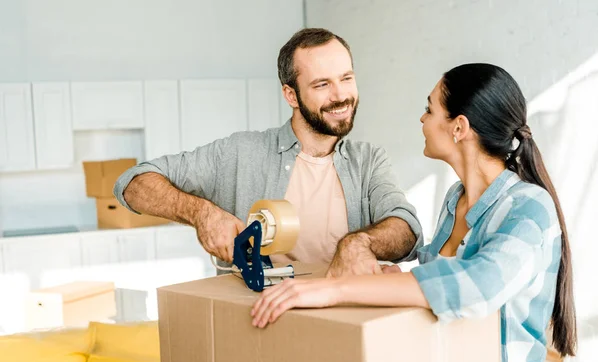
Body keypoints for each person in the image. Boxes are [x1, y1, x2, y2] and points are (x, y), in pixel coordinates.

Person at [251, 63, 577, 362]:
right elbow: (438, 286)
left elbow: (476, 286)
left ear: (459, 127)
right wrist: (387, 277)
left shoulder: (529, 206)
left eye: (429, 109)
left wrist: (334, 290)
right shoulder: (456, 200)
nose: (422, 119)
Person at [113, 28, 423, 276]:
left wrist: (358, 243)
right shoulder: (240, 153)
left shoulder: (368, 161)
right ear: (291, 94)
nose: (341, 95)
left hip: (340, 326)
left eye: (346, 78)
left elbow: (408, 230)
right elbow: (131, 183)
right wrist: (201, 213)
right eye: (322, 85)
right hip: (257, 323)